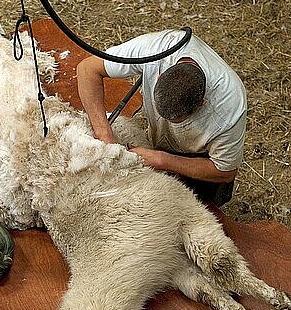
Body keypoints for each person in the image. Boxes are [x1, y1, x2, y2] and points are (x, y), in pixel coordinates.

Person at [77, 29, 247, 206]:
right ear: (160, 76)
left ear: (202, 103)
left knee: (202, 209)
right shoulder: (154, 51)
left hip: (203, 158)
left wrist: (162, 160)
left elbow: (225, 172)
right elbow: (87, 69)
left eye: (177, 121)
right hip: (160, 143)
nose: (167, 121)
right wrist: (104, 134)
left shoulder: (229, 108)